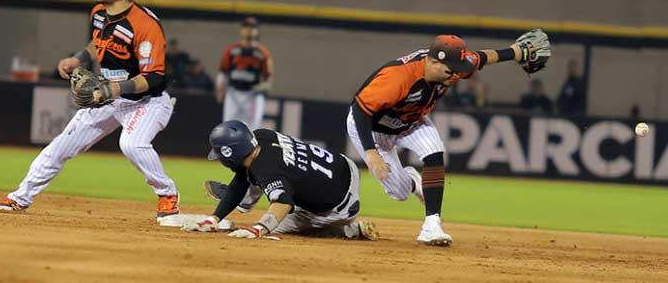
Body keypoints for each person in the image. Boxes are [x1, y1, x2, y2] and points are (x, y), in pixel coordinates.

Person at [0, 0, 180, 221]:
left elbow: (154, 76)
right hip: (108, 96)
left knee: (132, 144)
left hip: (148, 101)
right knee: (59, 147)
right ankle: (19, 197)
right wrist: (79, 58)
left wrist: (115, 88)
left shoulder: (145, 25)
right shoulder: (99, 13)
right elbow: (98, 42)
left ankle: (167, 194)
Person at [347, 32, 550, 246]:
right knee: (399, 193)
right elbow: (361, 110)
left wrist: (517, 52)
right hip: (373, 129)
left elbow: (482, 58)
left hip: (412, 121)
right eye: (450, 70)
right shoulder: (397, 77)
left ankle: (431, 226)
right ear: (433, 62)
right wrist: (370, 152)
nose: (455, 76)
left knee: (434, 151)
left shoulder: (453, 65)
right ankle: (414, 183)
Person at [183, 120, 378, 241]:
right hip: (345, 167)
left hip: (341, 207)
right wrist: (215, 218)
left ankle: (349, 230)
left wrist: (259, 229)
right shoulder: (261, 135)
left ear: (230, 155)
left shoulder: (266, 170)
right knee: (258, 176)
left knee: (282, 225)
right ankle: (245, 202)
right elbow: (243, 178)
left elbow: (283, 203)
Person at [212, 17, 274, 211]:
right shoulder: (232, 50)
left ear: (257, 31)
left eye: (252, 28)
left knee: (252, 132)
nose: (249, 30)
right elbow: (223, 71)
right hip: (233, 92)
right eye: (246, 27)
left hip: (252, 95)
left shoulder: (262, 52)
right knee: (228, 128)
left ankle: (250, 170)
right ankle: (233, 162)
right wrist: (220, 88)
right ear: (241, 30)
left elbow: (268, 77)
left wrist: (262, 88)